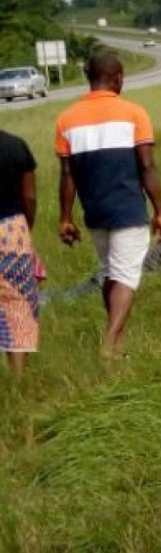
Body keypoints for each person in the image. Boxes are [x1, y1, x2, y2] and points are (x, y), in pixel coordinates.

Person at [55, 51, 161, 357]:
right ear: (117, 79)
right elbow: (147, 166)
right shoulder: (134, 113)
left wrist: (65, 218)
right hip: (128, 210)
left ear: (89, 78)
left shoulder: (66, 119)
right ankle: (110, 341)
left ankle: (117, 342)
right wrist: (159, 211)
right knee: (126, 277)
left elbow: (67, 175)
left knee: (110, 273)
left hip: (95, 213)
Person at [47, 225, 161, 303]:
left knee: (76, 295)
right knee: (73, 296)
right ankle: (39, 300)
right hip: (123, 274)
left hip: (126, 271)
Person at [0, 126, 40, 374]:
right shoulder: (15, 146)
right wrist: (26, 228)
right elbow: (29, 197)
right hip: (11, 232)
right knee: (18, 304)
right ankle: (17, 376)